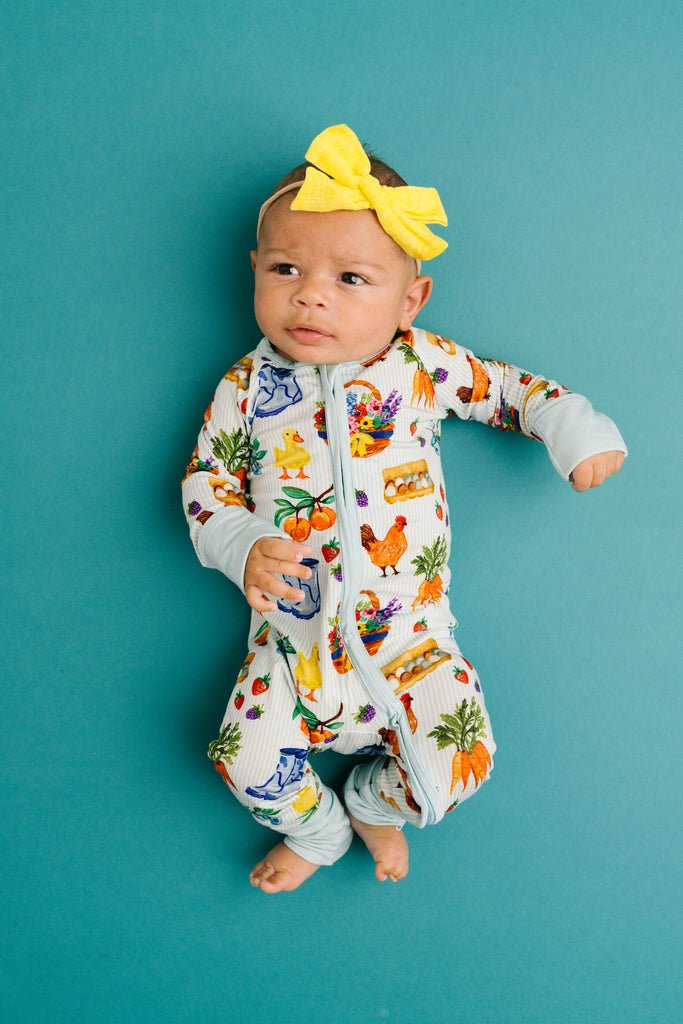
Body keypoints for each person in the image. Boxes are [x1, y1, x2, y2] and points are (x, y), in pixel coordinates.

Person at [182, 124, 626, 893]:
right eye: (285, 269)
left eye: (351, 278)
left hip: (411, 642)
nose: (310, 293)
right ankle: (317, 829)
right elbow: (205, 484)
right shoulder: (246, 388)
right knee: (240, 759)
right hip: (292, 646)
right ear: (255, 270)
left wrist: (570, 424)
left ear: (409, 300)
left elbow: (504, 390)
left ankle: (370, 803)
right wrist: (241, 541)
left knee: (461, 765)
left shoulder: (419, 363)